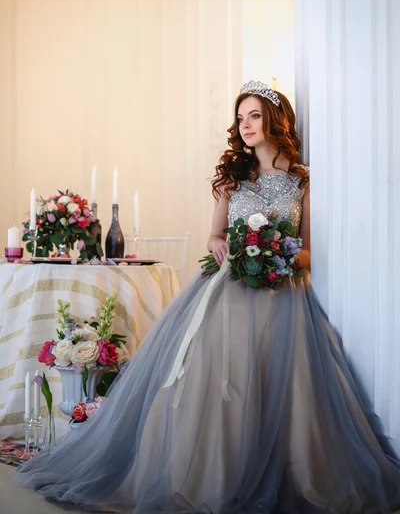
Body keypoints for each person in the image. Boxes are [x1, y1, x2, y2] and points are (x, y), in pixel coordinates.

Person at [16, 81, 400, 513]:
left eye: (254, 115)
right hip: (226, 290)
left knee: (279, 388)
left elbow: (310, 251)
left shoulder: (302, 182)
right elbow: (215, 235)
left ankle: (279, 471)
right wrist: (220, 245)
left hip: (281, 297)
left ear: (276, 120)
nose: (245, 125)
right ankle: (209, 474)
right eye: (240, 118)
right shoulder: (233, 180)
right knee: (218, 383)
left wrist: (277, 254)